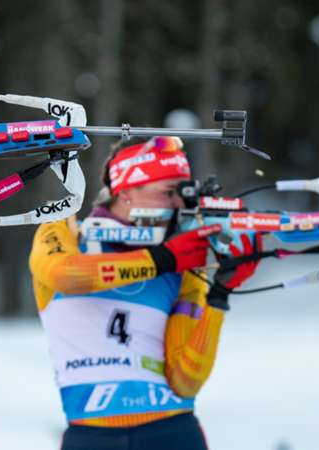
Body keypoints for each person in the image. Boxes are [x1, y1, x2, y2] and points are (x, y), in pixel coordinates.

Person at [29, 136, 261, 450]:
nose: (179, 204)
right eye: (168, 193)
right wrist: (161, 259)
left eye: (183, 193)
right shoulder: (66, 231)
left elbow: (185, 381)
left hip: (172, 430)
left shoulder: (182, 264)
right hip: (90, 436)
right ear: (125, 192)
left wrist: (219, 294)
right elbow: (64, 275)